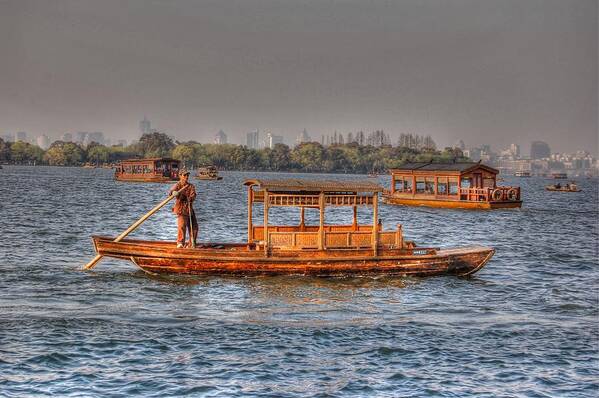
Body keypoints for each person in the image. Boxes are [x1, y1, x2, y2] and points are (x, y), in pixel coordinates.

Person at [168, 169, 198, 248]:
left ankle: (192, 244)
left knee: (194, 227)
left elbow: (193, 195)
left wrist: (190, 198)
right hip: (181, 209)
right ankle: (180, 243)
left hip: (189, 209)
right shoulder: (178, 185)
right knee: (182, 226)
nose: (186, 177)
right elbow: (171, 191)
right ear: (180, 176)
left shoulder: (190, 186)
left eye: (187, 175)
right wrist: (174, 192)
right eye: (184, 175)